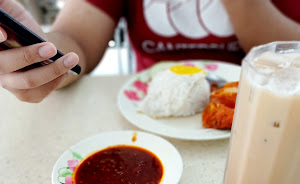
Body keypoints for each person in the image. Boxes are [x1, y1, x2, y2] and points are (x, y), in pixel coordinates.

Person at [0, 0, 299, 103]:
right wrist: (37, 51)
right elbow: (76, 40)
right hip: (152, 110)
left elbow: (290, 58)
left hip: (258, 112)